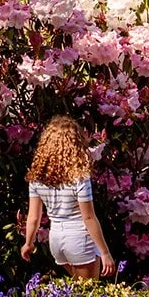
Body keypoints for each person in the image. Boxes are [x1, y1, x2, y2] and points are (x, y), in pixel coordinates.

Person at [19, 115, 117, 279]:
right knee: (88, 292)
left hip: (56, 239)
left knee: (77, 288)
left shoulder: (37, 178)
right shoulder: (79, 178)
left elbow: (34, 216)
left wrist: (28, 243)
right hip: (79, 238)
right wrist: (105, 252)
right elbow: (88, 217)